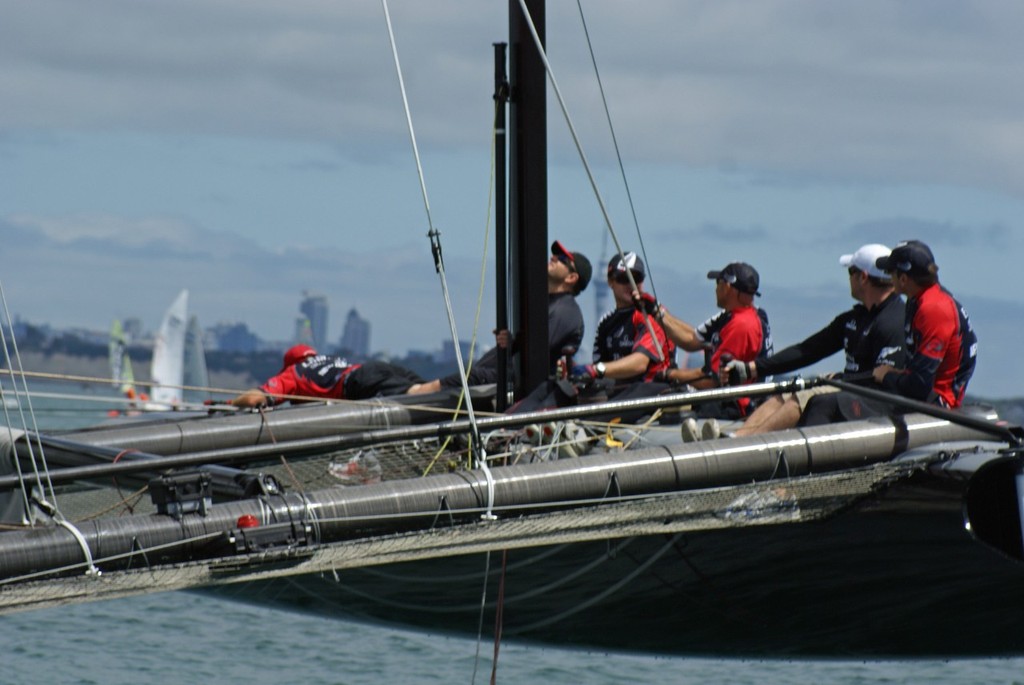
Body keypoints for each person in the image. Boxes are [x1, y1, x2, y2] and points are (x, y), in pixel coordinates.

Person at [722, 244, 906, 436]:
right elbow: (808, 350)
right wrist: (752, 368)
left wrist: (843, 379)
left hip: (873, 403)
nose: (848, 278)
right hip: (849, 388)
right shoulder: (855, 318)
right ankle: (738, 439)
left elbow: (885, 380)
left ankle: (748, 448)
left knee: (804, 398)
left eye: (851, 272)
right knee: (784, 395)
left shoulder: (894, 321)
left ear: (863, 277)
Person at [800, 240, 977, 425]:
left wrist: (887, 376)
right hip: (920, 395)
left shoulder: (934, 309)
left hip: (936, 404)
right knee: (826, 399)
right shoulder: (921, 299)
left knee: (825, 405)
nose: (888, 278)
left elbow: (918, 386)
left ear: (903, 279)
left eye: (891, 272)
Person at [409, 240, 591, 395]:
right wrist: (511, 341)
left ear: (572, 277)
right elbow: (531, 344)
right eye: (555, 255)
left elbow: (537, 350)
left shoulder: (566, 311)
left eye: (562, 259)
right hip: (511, 374)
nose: (553, 258)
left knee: (471, 377)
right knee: (471, 375)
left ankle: (415, 394)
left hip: (527, 383)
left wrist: (514, 342)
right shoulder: (545, 304)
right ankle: (414, 390)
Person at [658, 262, 772, 431]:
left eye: (718, 283)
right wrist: (658, 314)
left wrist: (670, 374)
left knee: (660, 397)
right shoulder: (740, 315)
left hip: (736, 407)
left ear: (728, 287)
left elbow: (711, 381)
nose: (715, 289)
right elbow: (692, 339)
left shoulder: (741, 325)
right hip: (738, 401)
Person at [231, 344, 429, 408]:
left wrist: (230, 404)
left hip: (359, 383)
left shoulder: (293, 372)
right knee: (435, 396)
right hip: (375, 369)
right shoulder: (329, 359)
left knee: (421, 395)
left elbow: (253, 398)